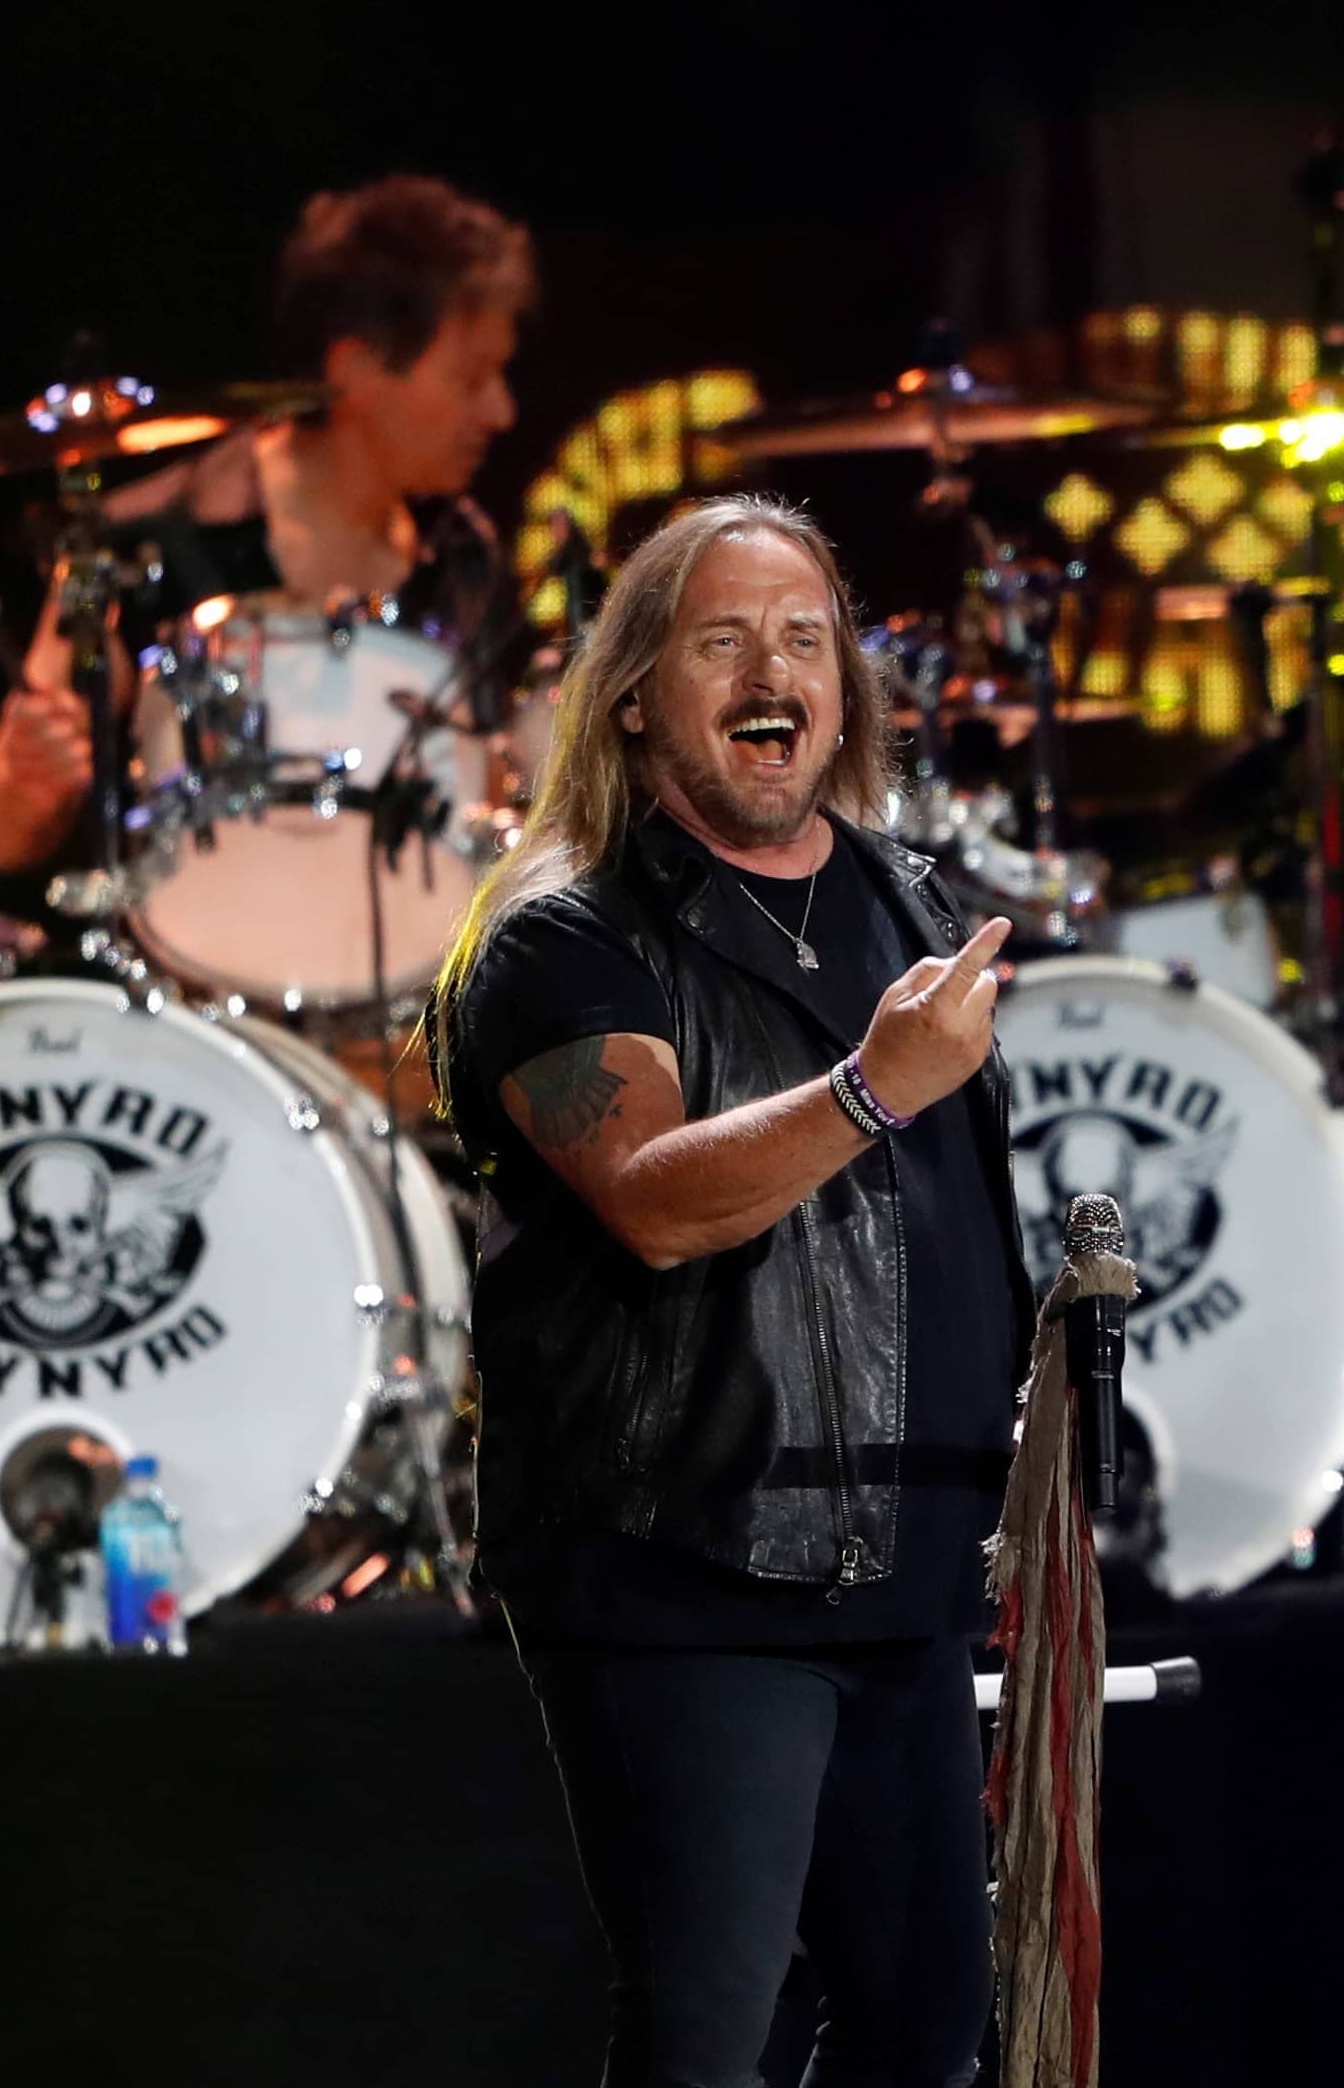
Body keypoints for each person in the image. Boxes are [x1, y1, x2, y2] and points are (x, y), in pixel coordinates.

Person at [430, 494, 1031, 2087]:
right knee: (710, 2036)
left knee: (927, 2036)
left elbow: (949, 1249)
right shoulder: (561, 935)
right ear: (636, 688)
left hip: (906, 1570)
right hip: (683, 1561)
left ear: (845, 685)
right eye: (722, 639)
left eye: (804, 636)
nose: (772, 668)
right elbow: (648, 1201)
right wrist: (867, 1088)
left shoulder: (913, 898)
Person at [0, 173, 531, 875]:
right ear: (354, 368)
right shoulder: (146, 538)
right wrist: (28, 777)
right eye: (472, 379)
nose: (501, 411)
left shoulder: (463, 554)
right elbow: (1, 833)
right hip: (188, 972)